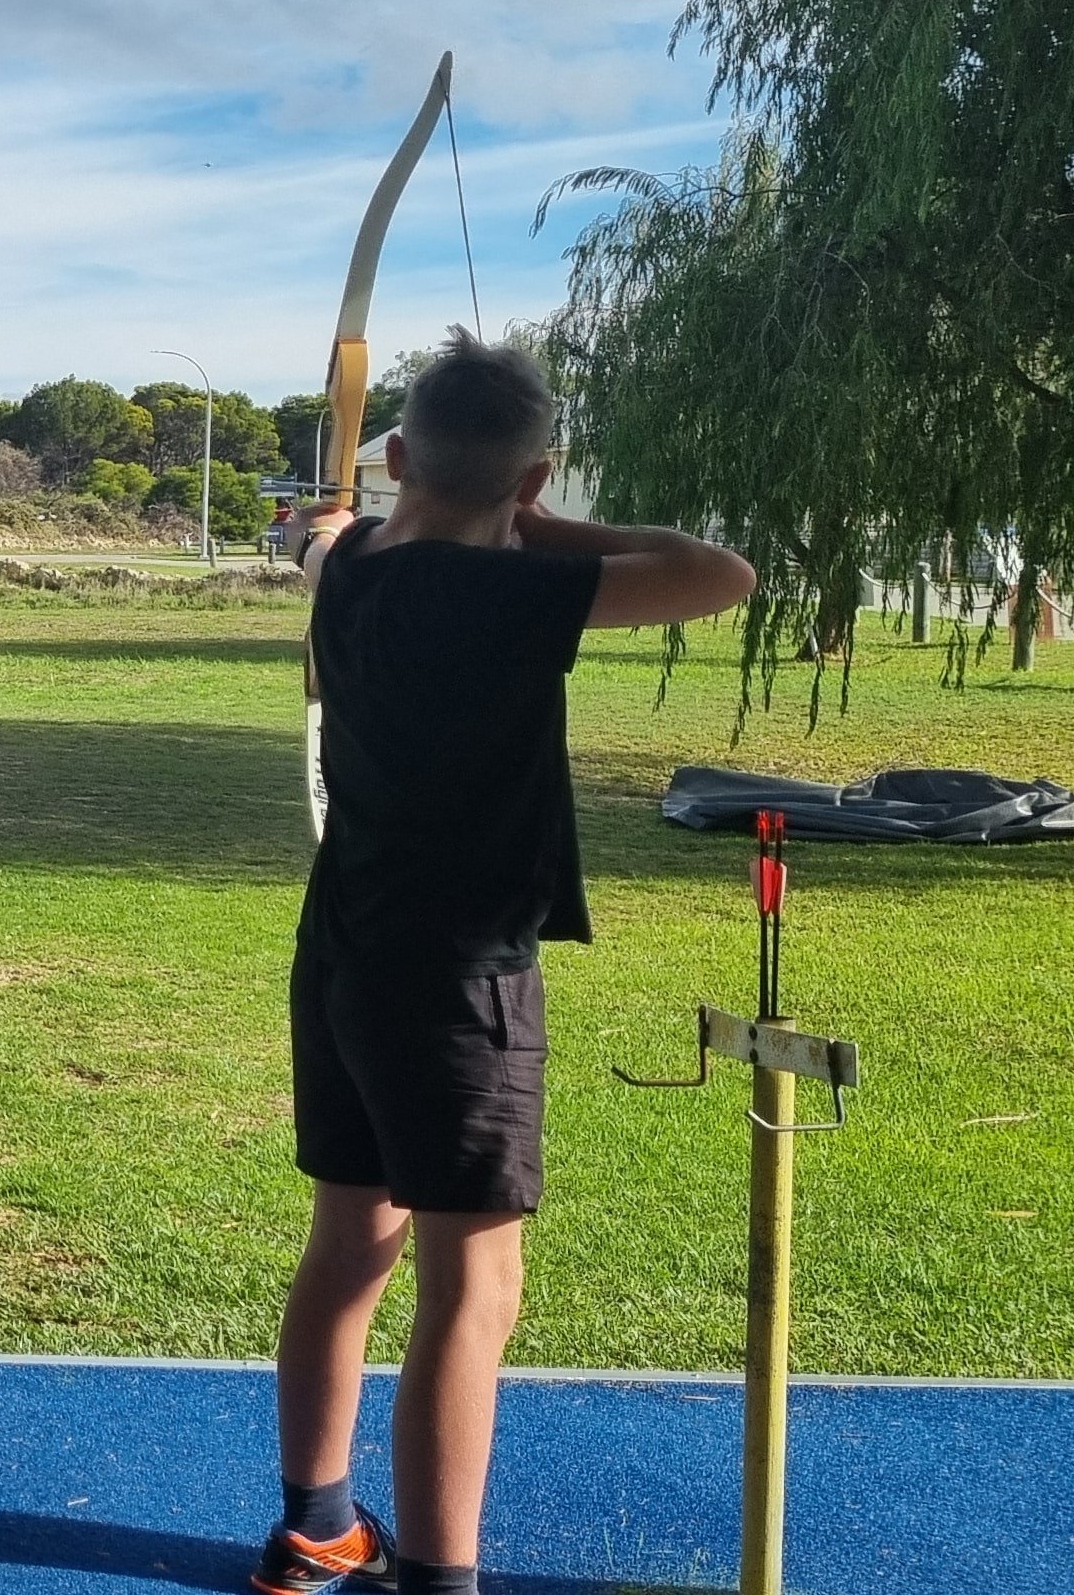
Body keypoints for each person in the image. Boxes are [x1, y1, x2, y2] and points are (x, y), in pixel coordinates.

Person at [256, 330, 754, 1595]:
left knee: (348, 1242)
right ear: (537, 482)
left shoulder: (352, 564)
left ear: (400, 452)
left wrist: (384, 504)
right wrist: (525, 517)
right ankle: (439, 1577)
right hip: (462, 972)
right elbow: (716, 570)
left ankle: (317, 1522)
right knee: (473, 1285)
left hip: (346, 952)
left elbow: (322, 533)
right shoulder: (527, 590)